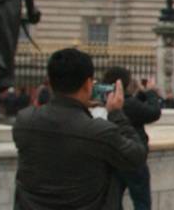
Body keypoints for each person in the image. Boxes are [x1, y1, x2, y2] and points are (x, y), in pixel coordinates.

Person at [12, 47, 146, 209]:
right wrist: (116, 113)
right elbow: (136, 156)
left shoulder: (24, 121)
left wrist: (80, 105)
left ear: (50, 81)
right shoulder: (98, 131)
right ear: (88, 84)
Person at [102, 67, 161, 210]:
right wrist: (151, 92)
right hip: (134, 159)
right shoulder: (127, 104)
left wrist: (141, 93)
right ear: (124, 84)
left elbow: (136, 105)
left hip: (114, 157)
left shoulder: (106, 101)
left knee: (114, 201)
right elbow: (153, 113)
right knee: (142, 202)